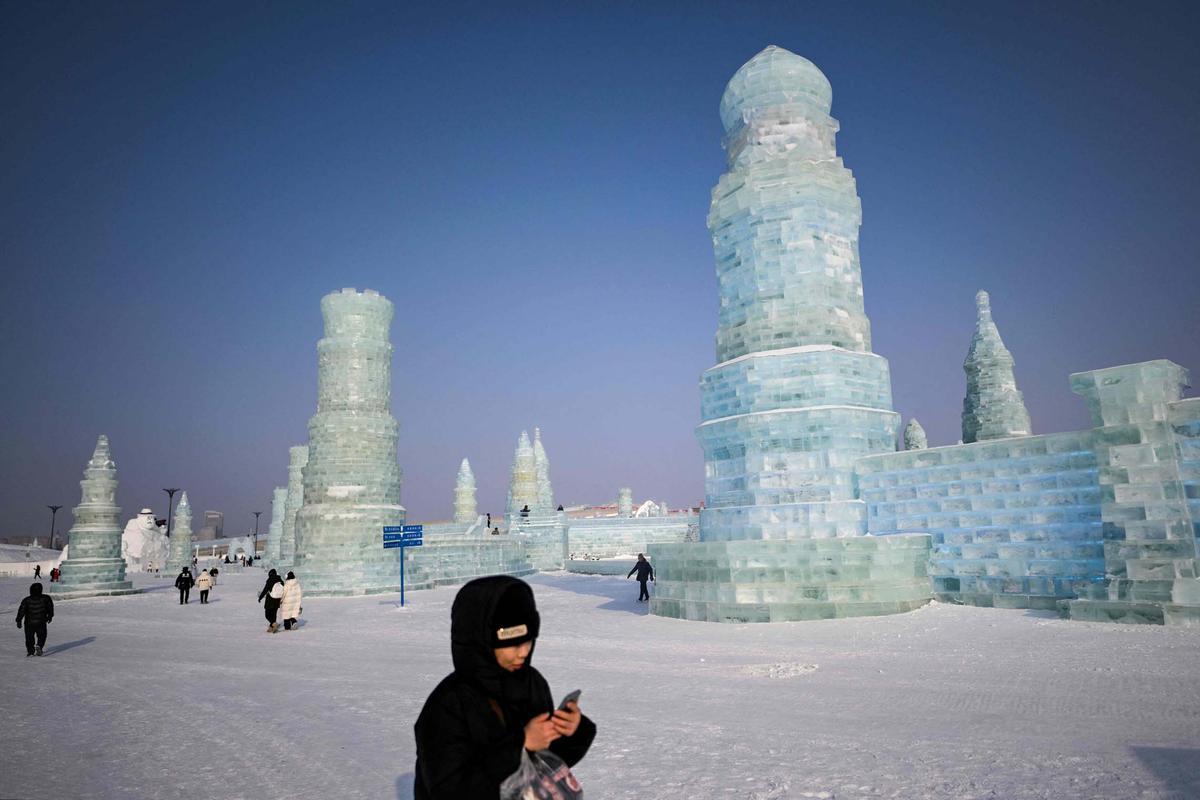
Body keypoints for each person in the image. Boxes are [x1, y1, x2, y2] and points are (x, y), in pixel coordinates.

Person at [414, 576, 595, 798]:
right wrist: (521, 746)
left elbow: (545, 764)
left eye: (528, 641)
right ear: (481, 642)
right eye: (512, 645)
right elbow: (449, 790)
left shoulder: (531, 683)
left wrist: (570, 731)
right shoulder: (448, 705)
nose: (523, 652)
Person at [16, 582, 53, 657]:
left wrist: (18, 620)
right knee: (42, 635)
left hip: (29, 623)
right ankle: (39, 645)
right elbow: (50, 608)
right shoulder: (46, 598)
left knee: (29, 637)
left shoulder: (26, 600)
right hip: (41, 621)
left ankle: (30, 652)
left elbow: (21, 611)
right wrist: (50, 616)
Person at [258, 569, 284, 633]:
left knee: (267, 614)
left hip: (270, 600)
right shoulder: (280, 580)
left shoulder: (270, 580)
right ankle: (272, 626)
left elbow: (265, 590)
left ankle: (273, 624)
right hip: (277, 600)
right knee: (274, 614)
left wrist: (260, 597)